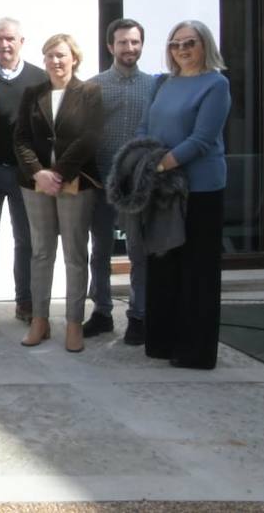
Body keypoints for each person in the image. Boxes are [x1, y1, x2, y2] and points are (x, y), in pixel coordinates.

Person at [141, 19, 231, 370]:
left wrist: (161, 164)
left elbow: (202, 139)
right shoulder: (163, 82)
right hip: (163, 188)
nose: (182, 50)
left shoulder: (216, 84)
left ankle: (195, 351)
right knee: (163, 263)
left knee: (197, 270)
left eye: (189, 43)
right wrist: (140, 157)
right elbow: (146, 126)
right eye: (175, 44)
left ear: (204, 45)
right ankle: (162, 342)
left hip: (200, 189)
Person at [13, 34, 102, 352]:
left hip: (75, 183)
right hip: (36, 185)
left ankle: (74, 324)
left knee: (75, 256)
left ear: (74, 58)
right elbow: (21, 138)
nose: (55, 61)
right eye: (49, 55)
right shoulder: (32, 93)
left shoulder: (89, 92)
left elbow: (89, 137)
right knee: (40, 254)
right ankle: (40, 321)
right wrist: (39, 172)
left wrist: (58, 173)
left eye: (61, 55)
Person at [85, 17, 155, 344]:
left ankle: (139, 317)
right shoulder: (94, 86)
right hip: (101, 183)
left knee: (138, 253)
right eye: (123, 42)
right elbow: (84, 136)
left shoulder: (154, 86)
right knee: (99, 251)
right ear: (110, 46)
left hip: (139, 186)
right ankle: (101, 312)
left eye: (135, 42)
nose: (130, 48)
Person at [0, 18, 47, 325]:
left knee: (26, 240)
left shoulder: (40, 79)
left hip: (26, 175)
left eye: (10, 39)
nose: (4, 45)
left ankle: (25, 301)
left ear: (22, 41)